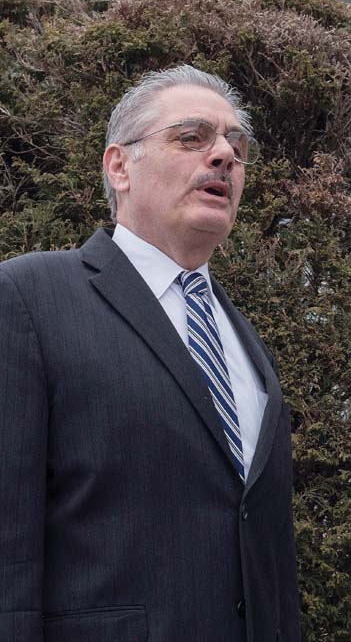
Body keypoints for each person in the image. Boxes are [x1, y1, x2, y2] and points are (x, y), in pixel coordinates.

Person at [0, 65, 300, 642]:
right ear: (120, 166)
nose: (224, 157)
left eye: (236, 146)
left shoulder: (244, 343)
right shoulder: (29, 297)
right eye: (192, 137)